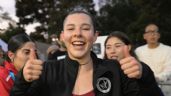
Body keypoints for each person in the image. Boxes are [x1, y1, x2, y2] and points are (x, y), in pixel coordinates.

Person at [10, 10, 141, 96]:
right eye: (71, 28)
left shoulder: (115, 69)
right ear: (62, 36)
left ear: (95, 36)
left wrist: (143, 74)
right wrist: (22, 81)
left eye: (85, 28)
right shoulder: (46, 71)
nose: (77, 34)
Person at [104, 31, 164, 96]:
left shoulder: (138, 69)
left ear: (128, 47)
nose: (112, 51)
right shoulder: (101, 71)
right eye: (108, 47)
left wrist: (143, 71)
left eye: (117, 46)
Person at [135, 23, 171, 95]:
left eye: (155, 32)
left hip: (164, 88)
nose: (152, 35)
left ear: (159, 35)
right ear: (144, 36)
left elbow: (169, 70)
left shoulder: (168, 50)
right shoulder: (138, 51)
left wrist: (155, 79)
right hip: (143, 88)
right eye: (149, 32)